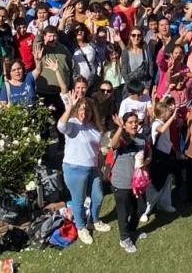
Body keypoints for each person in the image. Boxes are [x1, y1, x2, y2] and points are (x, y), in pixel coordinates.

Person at [57, 96, 109, 244]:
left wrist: (102, 166)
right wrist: (69, 109)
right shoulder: (72, 124)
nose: (84, 112)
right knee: (78, 201)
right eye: (81, 109)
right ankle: (81, 227)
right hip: (75, 168)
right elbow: (60, 127)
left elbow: (99, 149)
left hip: (93, 168)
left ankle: (95, 220)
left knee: (98, 196)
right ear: (76, 111)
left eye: (87, 110)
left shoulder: (93, 127)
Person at [109, 111, 149, 253]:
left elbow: (148, 156)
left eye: (135, 122)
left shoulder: (142, 139)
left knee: (141, 208)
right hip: (122, 182)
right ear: (125, 125)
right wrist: (120, 128)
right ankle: (124, 238)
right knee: (123, 212)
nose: (134, 125)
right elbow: (113, 144)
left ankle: (132, 230)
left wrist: (144, 162)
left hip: (138, 183)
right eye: (130, 122)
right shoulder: (122, 139)